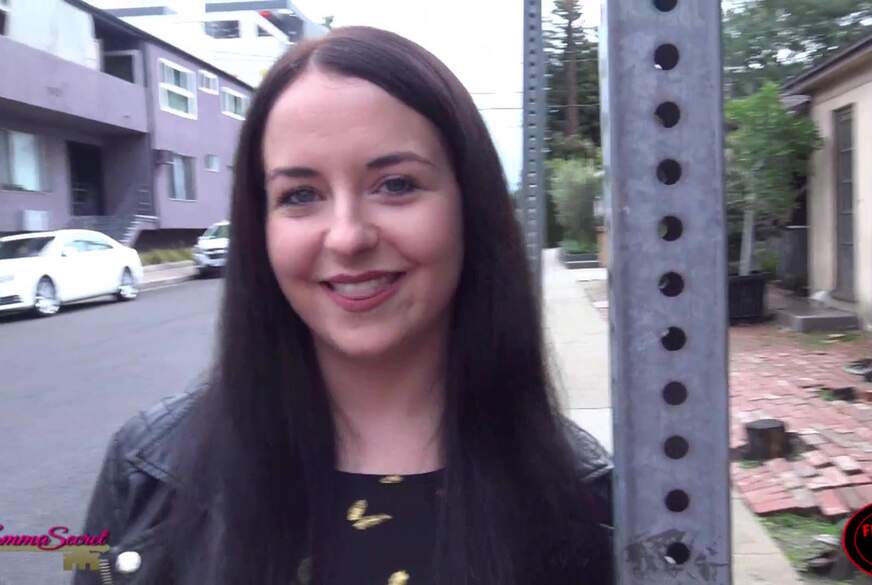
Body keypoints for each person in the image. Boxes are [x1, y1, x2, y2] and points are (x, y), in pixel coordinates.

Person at [72, 26, 614, 585]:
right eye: (301, 195)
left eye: (396, 184)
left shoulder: (593, 505)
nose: (347, 237)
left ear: (470, 206)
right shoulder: (139, 472)